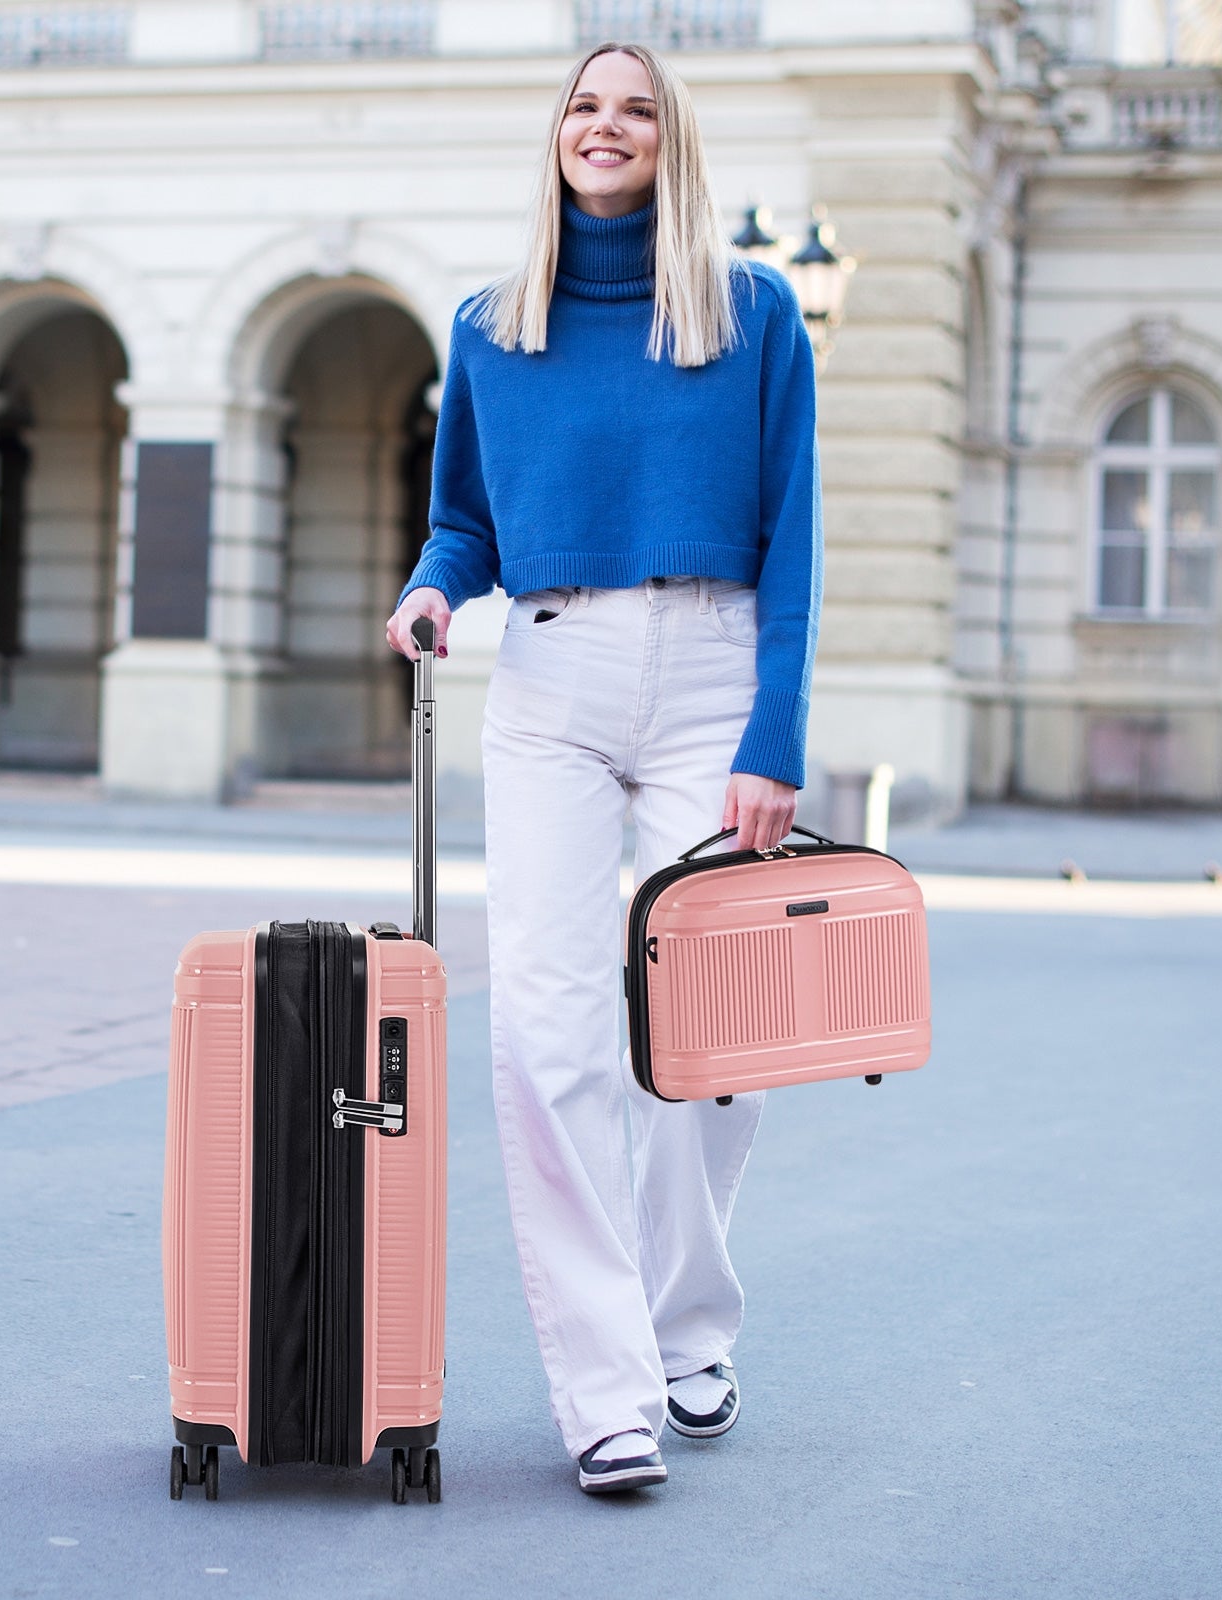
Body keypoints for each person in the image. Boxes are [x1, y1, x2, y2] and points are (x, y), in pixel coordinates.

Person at [385, 40, 822, 1495]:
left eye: (636, 107)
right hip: (553, 678)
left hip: (712, 664)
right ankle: (605, 1391)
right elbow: (466, 522)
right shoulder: (490, 326)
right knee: (548, 1034)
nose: (607, 124)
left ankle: (688, 1325)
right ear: (556, 136)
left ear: (670, 141)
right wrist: (431, 588)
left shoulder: (752, 314)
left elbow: (795, 542)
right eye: (585, 103)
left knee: (706, 1034)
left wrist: (774, 736)